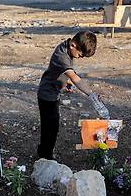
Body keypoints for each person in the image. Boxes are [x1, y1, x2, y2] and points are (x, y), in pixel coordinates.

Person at [37, 31, 110, 160]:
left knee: (53, 126)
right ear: (73, 45)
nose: (79, 57)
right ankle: (45, 157)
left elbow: (63, 73)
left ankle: (44, 152)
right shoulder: (62, 56)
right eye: (80, 55)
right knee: (50, 127)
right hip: (47, 95)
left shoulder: (67, 47)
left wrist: (65, 82)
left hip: (54, 91)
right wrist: (91, 94)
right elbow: (75, 77)